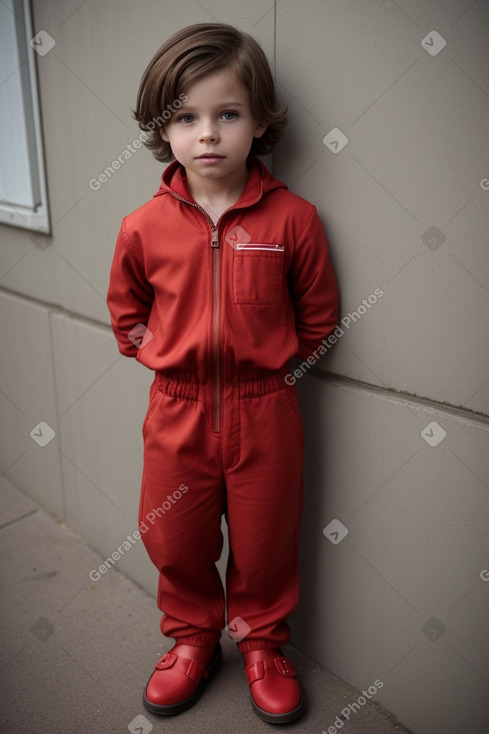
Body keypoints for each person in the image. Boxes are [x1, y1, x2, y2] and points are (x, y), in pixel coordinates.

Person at [107, 22, 339, 725]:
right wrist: (167, 358)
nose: (207, 134)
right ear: (163, 129)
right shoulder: (142, 226)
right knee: (174, 541)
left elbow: (320, 320)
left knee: (266, 541)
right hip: (174, 413)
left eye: (226, 114)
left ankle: (263, 645)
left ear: (260, 121)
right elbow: (126, 315)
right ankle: (191, 642)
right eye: (186, 118)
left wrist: (266, 372)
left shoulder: (294, 219)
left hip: (265, 410)